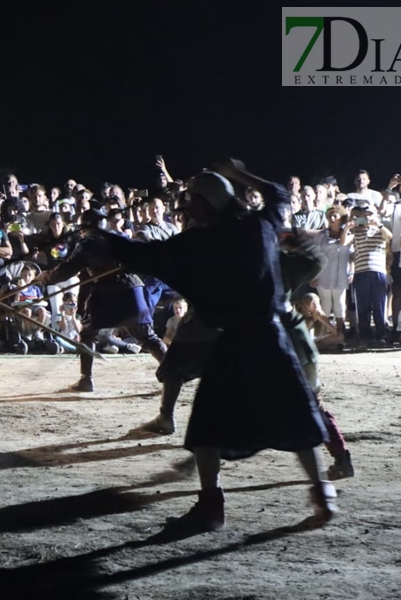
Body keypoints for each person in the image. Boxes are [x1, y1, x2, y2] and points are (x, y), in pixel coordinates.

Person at [90, 159, 337, 532]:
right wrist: (240, 172)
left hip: (236, 340)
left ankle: (211, 507)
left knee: (207, 425)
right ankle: (323, 495)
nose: (188, 207)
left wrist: (102, 235)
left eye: (193, 201)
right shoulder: (260, 224)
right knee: (295, 416)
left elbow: (149, 256)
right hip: (271, 338)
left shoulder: (200, 243)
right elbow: (278, 194)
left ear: (207, 204)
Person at [33, 208, 166, 392]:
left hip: (109, 291)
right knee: (147, 336)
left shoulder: (89, 242)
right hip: (134, 289)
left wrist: (46, 277)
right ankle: (172, 375)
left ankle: (86, 379)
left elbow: (66, 270)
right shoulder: (119, 239)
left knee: (88, 332)